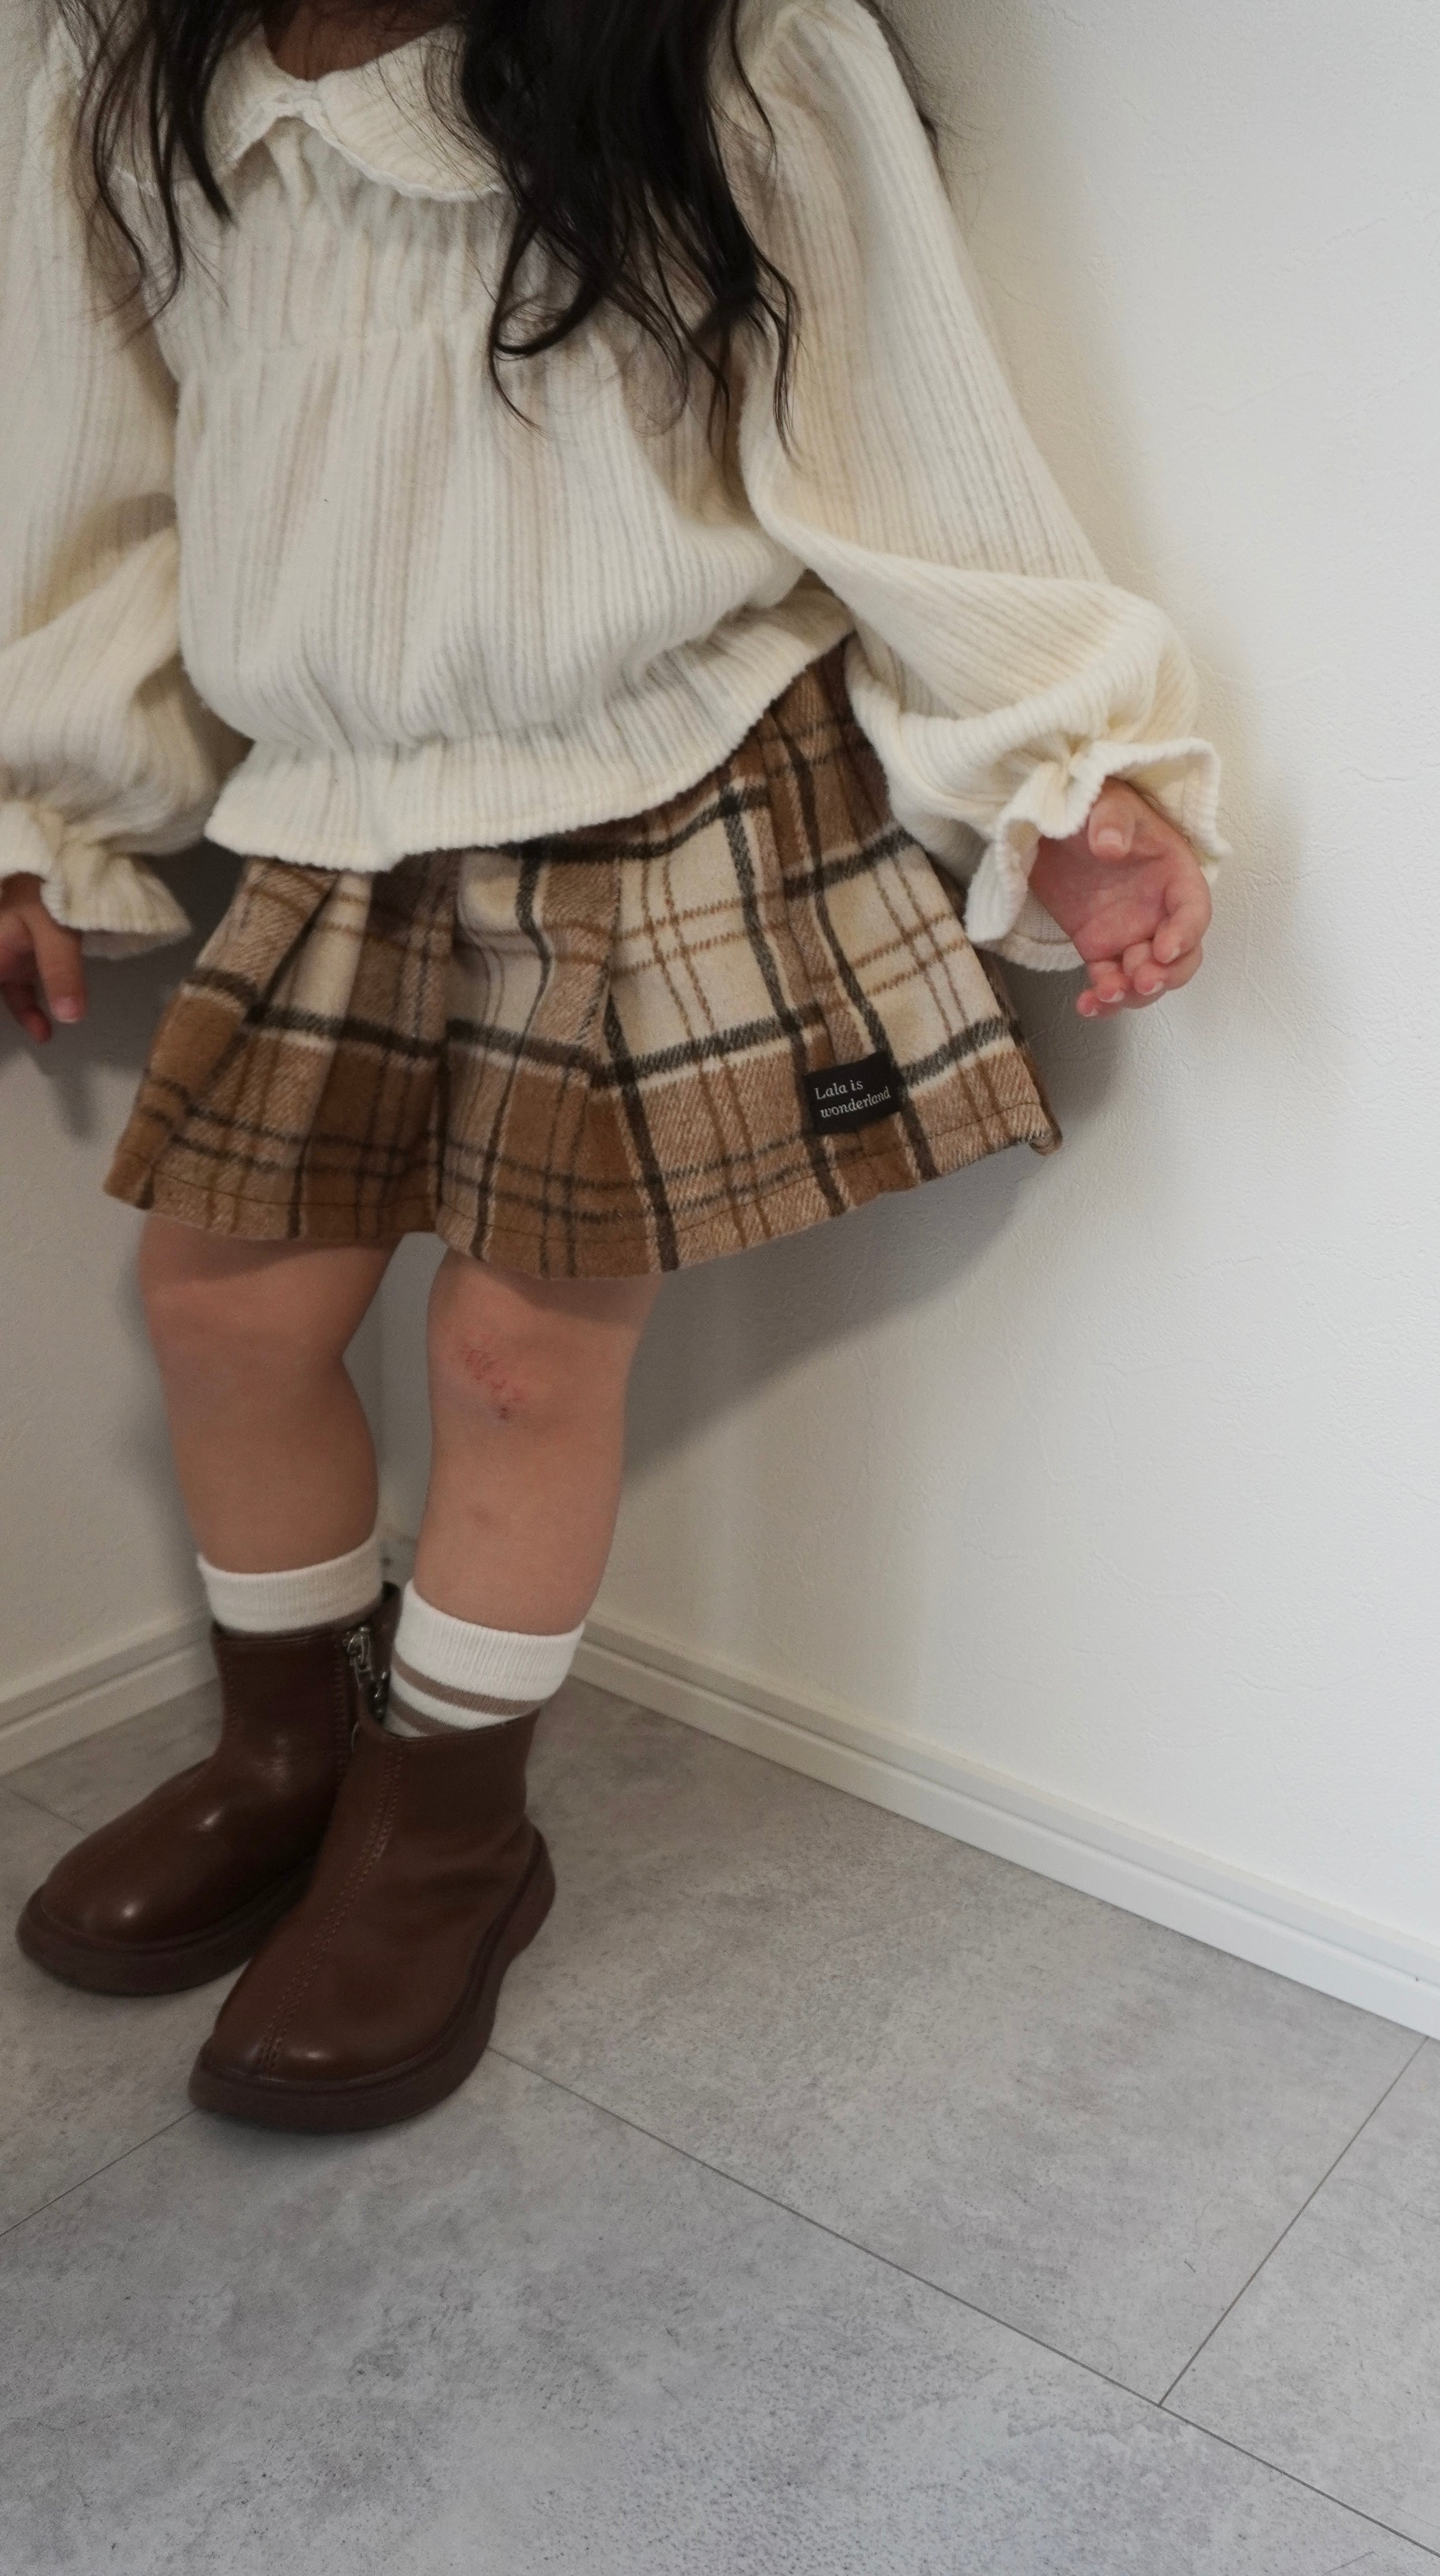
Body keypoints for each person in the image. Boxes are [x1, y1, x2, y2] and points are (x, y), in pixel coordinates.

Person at [0, 0, 1223, 2133]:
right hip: (336, 794)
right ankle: (290, 1752)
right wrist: (52, 801)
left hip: (667, 772)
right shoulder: (127, 59)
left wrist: (1060, 763)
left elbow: (900, 436)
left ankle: (447, 1826)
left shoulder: (724, 44)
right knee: (219, 1310)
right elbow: (96, 472)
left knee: (516, 1357)